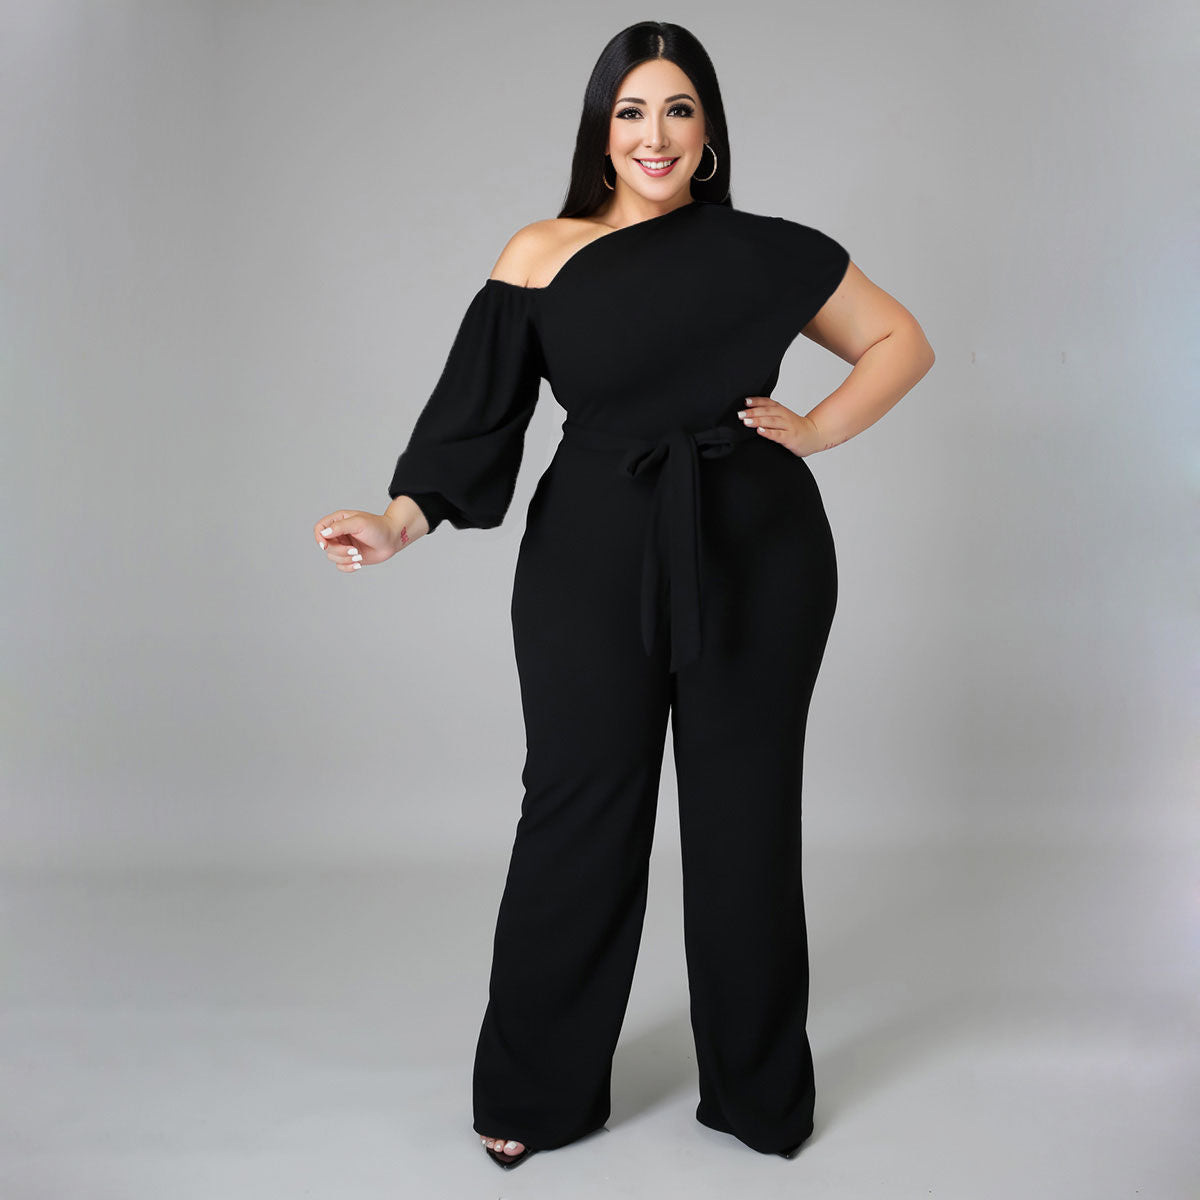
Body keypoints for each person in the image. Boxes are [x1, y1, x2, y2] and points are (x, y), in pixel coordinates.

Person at [313, 21, 934, 1172]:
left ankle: (757, 1095)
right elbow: (476, 416)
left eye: (679, 109)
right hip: (589, 561)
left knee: (746, 823)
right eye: (633, 111)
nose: (657, 134)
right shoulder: (543, 252)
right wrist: (398, 521)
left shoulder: (767, 250)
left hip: (758, 554)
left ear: (709, 130)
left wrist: (814, 430)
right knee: (579, 809)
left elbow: (901, 339)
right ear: (601, 132)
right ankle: (536, 1091)